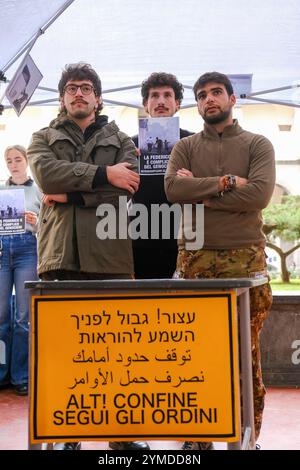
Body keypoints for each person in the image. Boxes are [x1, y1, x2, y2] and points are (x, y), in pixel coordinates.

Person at [27, 62, 148, 451]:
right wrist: (102, 176)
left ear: (97, 97)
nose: (79, 93)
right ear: (63, 98)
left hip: (110, 256)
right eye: (72, 88)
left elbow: (128, 183)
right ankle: (67, 436)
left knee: (119, 352)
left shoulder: (123, 140)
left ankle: (122, 438)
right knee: (64, 353)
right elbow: (47, 177)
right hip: (60, 256)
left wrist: (74, 194)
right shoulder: (41, 137)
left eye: (86, 88)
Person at [165, 72, 275, 450]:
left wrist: (203, 191)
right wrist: (229, 181)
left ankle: (247, 437)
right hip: (194, 263)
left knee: (247, 358)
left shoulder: (258, 144)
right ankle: (197, 439)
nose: (209, 99)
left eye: (216, 93)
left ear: (231, 98)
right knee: (195, 357)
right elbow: (173, 189)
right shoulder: (185, 147)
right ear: (196, 105)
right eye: (201, 95)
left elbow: (259, 195)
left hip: (246, 264)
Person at [132, 72, 193, 279]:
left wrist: (195, 179)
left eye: (167, 95)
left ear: (177, 104)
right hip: (141, 235)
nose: (160, 101)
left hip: (185, 236)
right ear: (145, 104)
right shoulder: (129, 145)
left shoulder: (194, 142)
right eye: (154, 96)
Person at [0, 145, 40, 396]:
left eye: (17, 159)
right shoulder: (0, 190)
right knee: (1, 317)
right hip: (2, 250)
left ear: (26, 161)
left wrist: (36, 223)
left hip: (27, 249)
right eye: (9, 161)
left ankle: (21, 376)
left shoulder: (38, 190)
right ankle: (1, 373)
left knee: (23, 318)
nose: (13, 164)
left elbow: (47, 224)